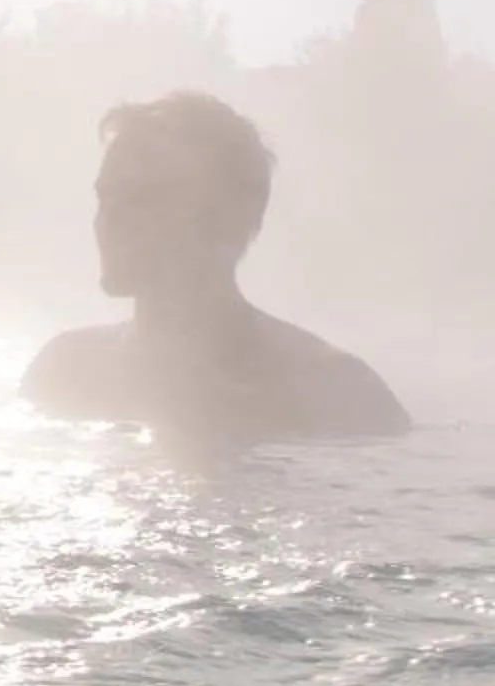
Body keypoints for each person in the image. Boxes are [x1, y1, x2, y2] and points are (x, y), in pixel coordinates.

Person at [22, 92, 406, 442]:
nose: (110, 220)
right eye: (106, 197)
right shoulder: (66, 369)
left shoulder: (330, 387)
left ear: (229, 217)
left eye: (141, 198)